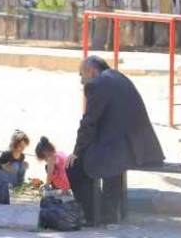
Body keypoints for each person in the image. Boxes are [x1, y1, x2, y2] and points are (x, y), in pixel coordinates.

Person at [66, 56, 164, 226]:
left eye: (82, 75)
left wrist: (76, 152)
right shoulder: (118, 77)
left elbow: (89, 123)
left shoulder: (96, 85)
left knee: (74, 167)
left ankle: (95, 215)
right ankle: (108, 210)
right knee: (106, 158)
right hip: (139, 148)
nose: (82, 81)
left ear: (92, 70)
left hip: (121, 149)